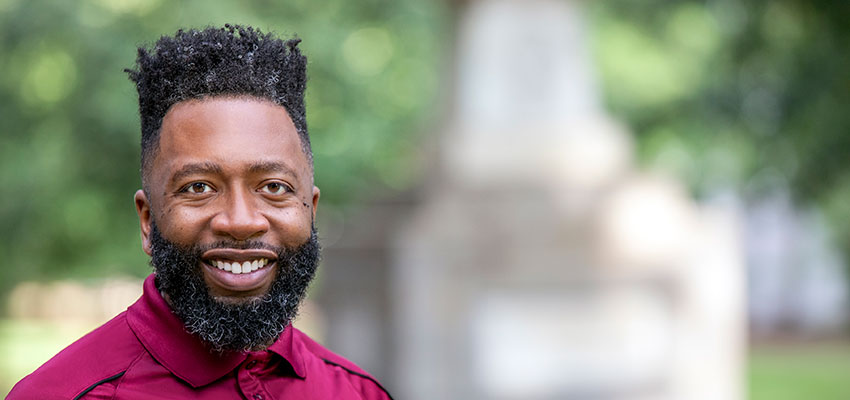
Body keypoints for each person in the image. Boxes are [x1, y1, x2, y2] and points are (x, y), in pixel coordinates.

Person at [8, 25, 392, 400]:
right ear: (147, 220)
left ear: (311, 209)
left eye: (274, 187)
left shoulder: (358, 392)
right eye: (199, 188)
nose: (241, 221)